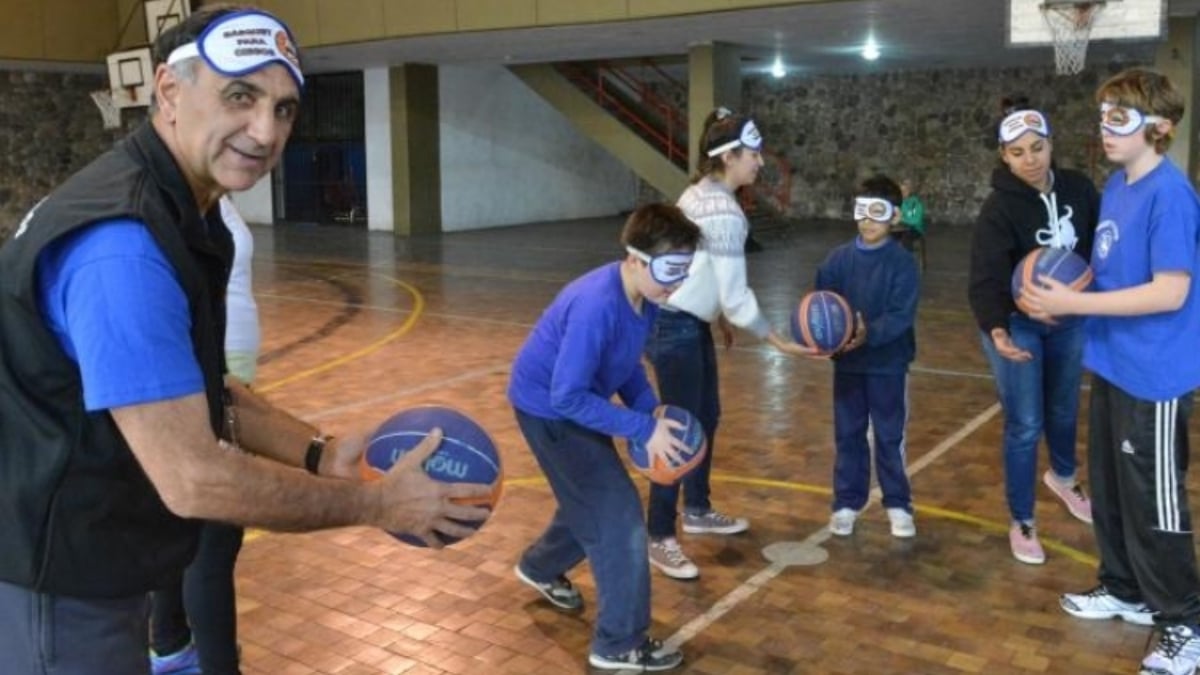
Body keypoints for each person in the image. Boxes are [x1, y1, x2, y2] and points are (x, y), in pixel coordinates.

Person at [0, 7, 492, 673]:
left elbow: (202, 386)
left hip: (90, 566)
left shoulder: (188, 212)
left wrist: (319, 453)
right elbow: (195, 478)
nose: (266, 131)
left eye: (284, 108)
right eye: (240, 96)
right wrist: (376, 502)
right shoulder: (123, 249)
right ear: (169, 93)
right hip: (52, 589)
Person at [1022, 68, 1200, 675]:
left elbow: (1170, 292)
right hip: (1115, 364)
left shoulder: (1169, 195)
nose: (1104, 129)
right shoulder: (1119, 186)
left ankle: (1186, 623)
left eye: (1118, 119)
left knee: (1156, 502)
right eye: (1101, 117)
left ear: (1161, 128)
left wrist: (1074, 304)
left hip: (1156, 374)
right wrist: (1049, 287)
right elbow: (1111, 274)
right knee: (1113, 493)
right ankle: (1125, 588)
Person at [509, 203, 700, 672]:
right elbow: (568, 395)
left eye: (685, 270)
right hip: (551, 411)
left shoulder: (646, 299)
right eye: (669, 269)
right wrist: (641, 428)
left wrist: (647, 408)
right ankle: (618, 644)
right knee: (618, 517)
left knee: (592, 501)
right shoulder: (597, 305)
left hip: (573, 402)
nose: (677, 281)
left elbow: (626, 363)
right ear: (635, 259)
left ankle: (539, 567)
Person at [643, 107, 814, 581]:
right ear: (729, 156)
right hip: (674, 327)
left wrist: (712, 315)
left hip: (682, 322)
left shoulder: (698, 193)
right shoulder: (725, 213)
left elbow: (696, 267)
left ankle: (696, 508)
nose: (760, 162)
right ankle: (659, 534)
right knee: (677, 433)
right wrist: (777, 339)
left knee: (706, 418)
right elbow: (737, 297)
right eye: (753, 153)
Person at [967, 96, 1099, 565]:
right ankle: (1022, 519)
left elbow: (1099, 251)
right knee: (1025, 424)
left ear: (1050, 145)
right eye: (1018, 151)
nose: (1030, 159)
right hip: (1018, 325)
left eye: (1037, 147)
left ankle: (1063, 478)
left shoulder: (1081, 190)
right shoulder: (998, 210)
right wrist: (998, 331)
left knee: (1063, 409)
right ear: (1003, 156)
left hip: (1068, 321)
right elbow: (984, 280)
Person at [149, 196, 259, 675]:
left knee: (185, 524)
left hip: (222, 378)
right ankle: (212, 665)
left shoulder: (207, 200)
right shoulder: (167, 206)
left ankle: (170, 645)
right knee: (216, 536)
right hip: (204, 378)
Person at [817, 175, 920, 538]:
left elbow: (900, 314)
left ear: (894, 217)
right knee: (848, 434)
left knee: (890, 435)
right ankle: (846, 502)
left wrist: (869, 333)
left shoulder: (903, 263)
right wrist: (822, 334)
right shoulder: (837, 260)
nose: (867, 220)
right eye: (862, 212)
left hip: (888, 366)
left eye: (877, 213)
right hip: (848, 365)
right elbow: (821, 303)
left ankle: (897, 503)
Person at [896, 178, 926, 253]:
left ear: (909, 191)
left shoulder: (916, 203)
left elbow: (915, 221)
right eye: (900, 191)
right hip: (901, 228)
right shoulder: (898, 202)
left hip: (915, 229)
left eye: (904, 191)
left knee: (906, 237)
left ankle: (908, 260)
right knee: (886, 236)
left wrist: (900, 219)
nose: (902, 193)